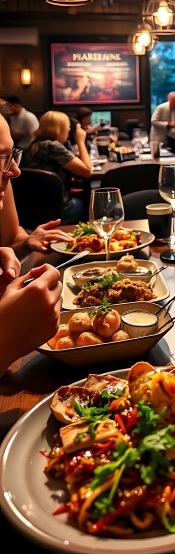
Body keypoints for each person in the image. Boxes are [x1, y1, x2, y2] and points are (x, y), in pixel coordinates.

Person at [0, 103, 63, 378]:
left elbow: (11, 237)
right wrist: (6, 341)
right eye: (1, 157)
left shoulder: (5, 180)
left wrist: (25, 241)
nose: (15, 170)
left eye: (12, 155)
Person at [22, 111, 93, 223]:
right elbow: (87, 172)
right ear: (59, 128)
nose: (69, 130)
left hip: (35, 208)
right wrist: (81, 141)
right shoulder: (53, 146)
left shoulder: (34, 145)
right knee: (88, 203)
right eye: (67, 126)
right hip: (60, 208)